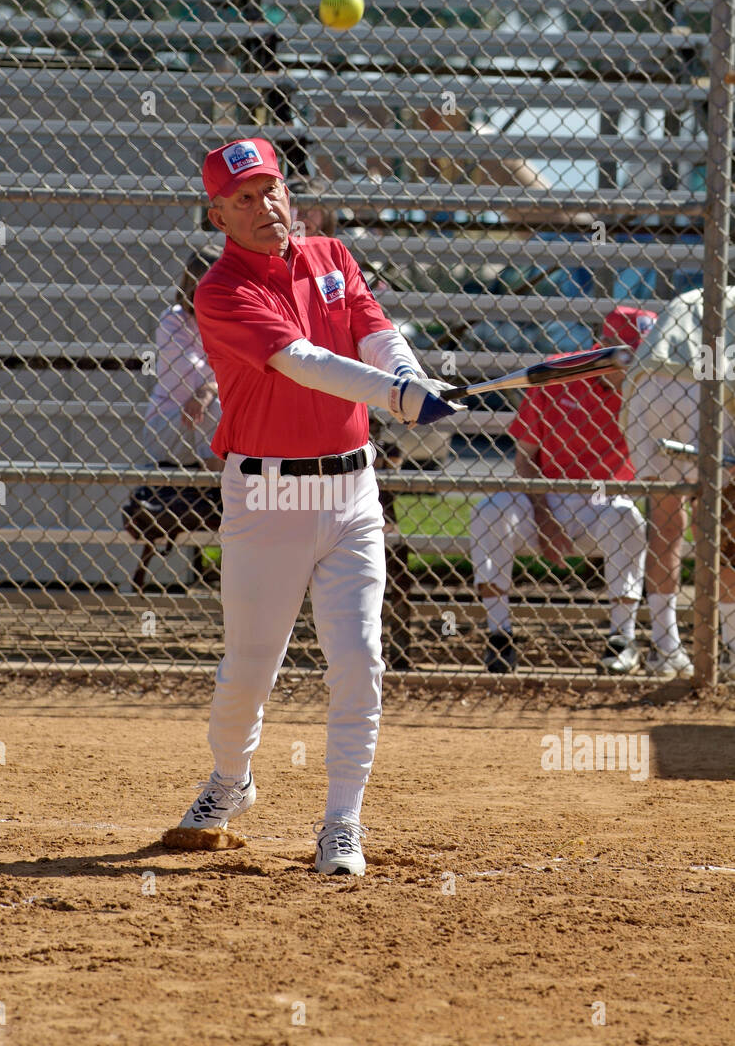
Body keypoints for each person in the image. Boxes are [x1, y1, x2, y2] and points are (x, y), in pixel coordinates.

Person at [172, 137, 462, 875]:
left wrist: (407, 372)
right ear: (218, 215)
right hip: (268, 493)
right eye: (243, 198)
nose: (264, 206)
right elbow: (302, 362)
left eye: (271, 189)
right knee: (248, 670)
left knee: (361, 659)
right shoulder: (221, 292)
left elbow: (374, 331)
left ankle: (342, 822)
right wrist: (396, 397)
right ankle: (231, 781)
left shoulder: (331, 255)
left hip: (352, 489)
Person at [470, 306, 658, 675]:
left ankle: (622, 638)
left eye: (640, 356)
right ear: (601, 348)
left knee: (627, 519)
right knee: (488, 510)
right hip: (543, 494)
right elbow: (525, 457)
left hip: (605, 500)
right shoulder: (560, 372)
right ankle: (499, 636)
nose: (633, 366)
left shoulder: (649, 390)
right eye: (626, 355)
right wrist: (543, 517)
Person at [622, 287, 735, 677]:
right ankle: (733, 647)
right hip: (703, 383)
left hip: (649, 381)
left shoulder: (703, 290)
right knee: (725, 522)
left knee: (667, 523)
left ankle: (666, 646)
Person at [125, 251, 222, 591]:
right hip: (171, 424)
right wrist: (212, 384)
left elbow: (243, 370)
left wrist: (210, 386)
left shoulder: (230, 319)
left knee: (219, 406)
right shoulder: (174, 319)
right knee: (218, 408)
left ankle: (223, 492)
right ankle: (224, 496)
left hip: (204, 423)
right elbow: (187, 378)